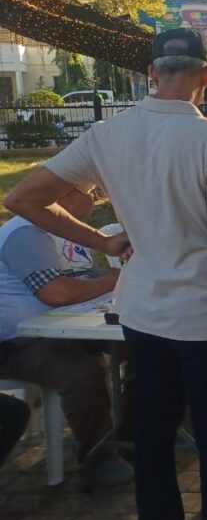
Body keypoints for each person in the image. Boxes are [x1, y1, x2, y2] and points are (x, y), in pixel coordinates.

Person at [6, 27, 207, 520]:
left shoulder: (109, 135)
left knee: (152, 430)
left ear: (152, 73)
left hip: (143, 314)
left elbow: (22, 198)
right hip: (204, 316)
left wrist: (101, 241)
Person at [0, 185, 130, 489]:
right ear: (64, 195)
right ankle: (98, 458)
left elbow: (87, 281)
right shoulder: (26, 233)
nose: (97, 197)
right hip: (19, 343)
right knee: (81, 371)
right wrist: (111, 281)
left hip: (68, 327)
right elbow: (56, 293)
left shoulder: (71, 232)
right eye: (90, 190)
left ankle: (135, 433)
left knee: (144, 343)